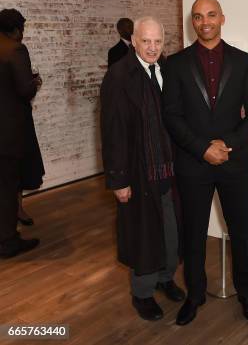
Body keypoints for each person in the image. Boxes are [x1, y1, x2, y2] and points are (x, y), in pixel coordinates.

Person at [162, 0, 248, 326]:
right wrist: (201, 148)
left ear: (222, 18)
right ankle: (194, 296)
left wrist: (228, 144)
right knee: (193, 233)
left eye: (210, 15)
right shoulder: (175, 64)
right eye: (197, 17)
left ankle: (247, 294)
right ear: (192, 22)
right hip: (193, 164)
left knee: (241, 231)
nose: (204, 21)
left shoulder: (243, 61)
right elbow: (172, 116)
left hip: (235, 163)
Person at [100, 16, 185, 321]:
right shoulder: (118, 76)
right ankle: (143, 292)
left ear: (165, 42)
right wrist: (119, 180)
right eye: (145, 41)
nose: (152, 48)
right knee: (144, 235)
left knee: (172, 230)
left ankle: (166, 278)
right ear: (133, 40)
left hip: (170, 170)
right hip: (138, 172)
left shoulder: (168, 71)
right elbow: (112, 133)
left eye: (158, 41)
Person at [0, 8, 40, 258]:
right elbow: (25, 90)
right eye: (22, 28)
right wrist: (35, 81)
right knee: (7, 187)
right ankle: (7, 241)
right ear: (15, 29)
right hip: (7, 133)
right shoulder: (15, 49)